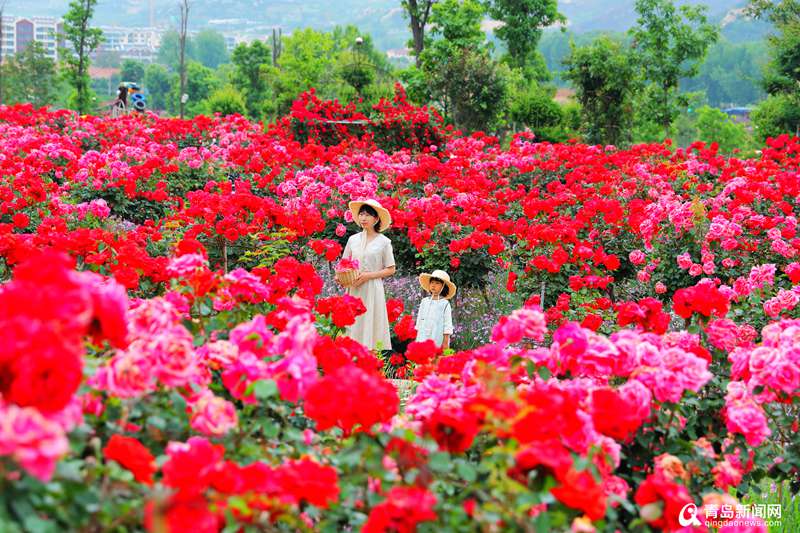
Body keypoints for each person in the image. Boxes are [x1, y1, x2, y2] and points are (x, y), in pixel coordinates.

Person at [338, 199, 396, 351]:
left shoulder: (384, 242)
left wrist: (368, 276)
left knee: (369, 324)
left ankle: (368, 362)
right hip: (353, 288)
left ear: (376, 219)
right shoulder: (353, 240)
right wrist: (340, 277)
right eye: (361, 214)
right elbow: (344, 263)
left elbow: (391, 269)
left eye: (368, 215)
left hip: (372, 289)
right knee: (351, 326)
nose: (363, 218)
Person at [415, 269, 456, 351]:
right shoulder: (424, 301)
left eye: (437, 283)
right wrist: (417, 336)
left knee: (434, 357)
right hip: (422, 336)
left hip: (437, 335)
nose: (433, 285)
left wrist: (445, 341)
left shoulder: (445, 304)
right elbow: (419, 320)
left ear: (443, 287)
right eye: (432, 282)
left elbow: (447, 324)